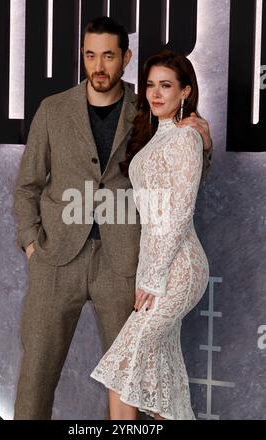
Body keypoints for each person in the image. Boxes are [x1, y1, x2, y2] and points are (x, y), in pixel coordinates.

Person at [13, 17, 212, 419]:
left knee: (129, 380)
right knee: (35, 375)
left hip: (124, 262)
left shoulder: (149, 105)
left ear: (126, 58)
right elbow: (27, 185)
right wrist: (32, 243)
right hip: (56, 260)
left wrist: (204, 144)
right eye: (90, 55)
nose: (98, 66)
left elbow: (178, 175)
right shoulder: (52, 110)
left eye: (108, 56)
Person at [90, 49, 210, 420]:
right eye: (150, 85)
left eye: (166, 86)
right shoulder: (155, 136)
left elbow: (177, 214)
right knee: (161, 386)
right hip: (156, 266)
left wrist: (154, 278)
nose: (156, 94)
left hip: (179, 269)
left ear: (184, 92)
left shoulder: (186, 137)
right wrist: (147, 273)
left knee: (121, 371)